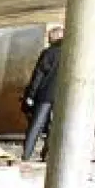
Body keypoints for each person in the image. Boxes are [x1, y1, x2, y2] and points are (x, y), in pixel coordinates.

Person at [21, 27, 64, 161]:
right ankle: (47, 155)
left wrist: (31, 94)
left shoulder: (48, 52)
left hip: (45, 95)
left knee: (36, 125)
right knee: (54, 127)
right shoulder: (70, 52)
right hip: (61, 96)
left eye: (50, 37)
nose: (48, 40)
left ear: (53, 38)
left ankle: (26, 154)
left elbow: (38, 75)